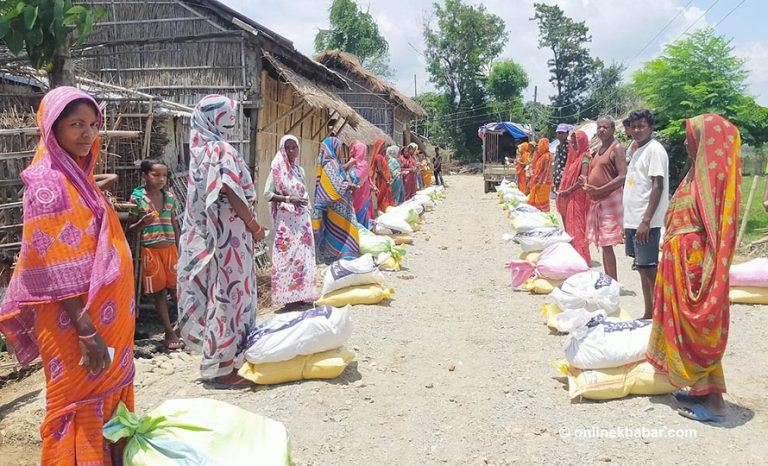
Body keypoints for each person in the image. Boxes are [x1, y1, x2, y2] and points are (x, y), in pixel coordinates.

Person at [0, 87, 135, 463]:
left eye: (93, 125)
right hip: (77, 322)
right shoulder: (47, 186)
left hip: (103, 319)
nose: (87, 134)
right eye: (76, 124)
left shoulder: (76, 177)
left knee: (106, 399)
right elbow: (54, 264)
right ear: (52, 127)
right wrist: (87, 331)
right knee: (78, 403)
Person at [646, 114, 741, 423]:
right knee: (686, 331)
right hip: (680, 265)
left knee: (698, 329)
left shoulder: (712, 183)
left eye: (692, 136)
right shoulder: (693, 175)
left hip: (695, 270)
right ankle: (701, 389)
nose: (686, 141)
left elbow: (714, 231)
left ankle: (715, 403)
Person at [177, 95, 265, 386]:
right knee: (229, 297)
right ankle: (222, 368)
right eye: (228, 113)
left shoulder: (201, 149)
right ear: (217, 116)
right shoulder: (220, 148)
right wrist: (252, 225)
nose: (233, 119)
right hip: (229, 237)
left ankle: (221, 358)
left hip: (213, 236)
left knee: (218, 294)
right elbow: (228, 187)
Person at [127, 159, 183, 350]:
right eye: (156, 175)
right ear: (144, 176)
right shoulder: (137, 198)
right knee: (159, 294)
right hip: (150, 250)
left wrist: (179, 246)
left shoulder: (169, 197)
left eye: (164, 175)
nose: (161, 179)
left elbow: (174, 224)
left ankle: (184, 325)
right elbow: (130, 230)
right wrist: (143, 222)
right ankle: (169, 331)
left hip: (171, 250)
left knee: (177, 291)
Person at [623, 109, 669, 319]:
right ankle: (649, 313)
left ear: (650, 127)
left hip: (645, 221)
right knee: (642, 268)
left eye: (642, 126)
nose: (637, 130)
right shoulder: (637, 150)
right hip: (634, 220)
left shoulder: (654, 150)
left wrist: (646, 221)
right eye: (634, 126)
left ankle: (661, 314)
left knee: (650, 269)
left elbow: (657, 186)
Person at [264, 135, 317, 309]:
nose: (291, 151)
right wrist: (288, 199)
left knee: (302, 258)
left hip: (302, 223)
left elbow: (305, 194)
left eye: (294, 147)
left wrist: (307, 210)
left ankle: (301, 296)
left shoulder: (299, 170)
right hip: (286, 225)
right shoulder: (277, 170)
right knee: (287, 258)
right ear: (282, 149)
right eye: (288, 148)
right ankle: (288, 300)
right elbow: (267, 194)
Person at [584, 118, 628, 280]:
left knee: (607, 244)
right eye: (599, 127)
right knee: (603, 244)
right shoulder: (600, 149)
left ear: (612, 130)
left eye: (605, 127)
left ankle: (613, 282)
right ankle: (609, 278)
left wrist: (600, 189)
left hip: (610, 200)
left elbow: (622, 176)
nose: (601, 130)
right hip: (598, 201)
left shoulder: (616, 148)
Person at [313, 136, 360, 264]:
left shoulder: (329, 162)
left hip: (337, 205)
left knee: (338, 231)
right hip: (337, 206)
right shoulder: (330, 163)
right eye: (338, 147)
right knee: (340, 231)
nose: (339, 150)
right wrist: (349, 185)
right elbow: (334, 186)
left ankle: (336, 255)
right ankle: (341, 255)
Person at [557, 131, 592, 264]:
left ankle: (581, 257)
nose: (573, 144)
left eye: (575, 141)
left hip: (578, 197)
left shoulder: (585, 158)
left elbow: (582, 180)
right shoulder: (574, 158)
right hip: (570, 196)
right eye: (572, 142)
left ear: (582, 141)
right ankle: (574, 256)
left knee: (578, 227)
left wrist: (568, 191)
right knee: (570, 226)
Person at [348, 140, 374, 228]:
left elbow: (358, 179)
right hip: (356, 193)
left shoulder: (362, 164)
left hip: (360, 194)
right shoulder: (354, 164)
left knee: (358, 212)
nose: (352, 152)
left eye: (354, 150)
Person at [527, 138, 553, 211]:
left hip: (543, 183)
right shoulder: (544, 155)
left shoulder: (546, 156)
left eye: (540, 145)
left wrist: (539, 182)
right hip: (542, 182)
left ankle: (543, 215)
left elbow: (545, 170)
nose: (539, 147)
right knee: (539, 199)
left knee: (540, 201)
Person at [370, 139, 394, 214]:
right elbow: (380, 170)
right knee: (382, 197)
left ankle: (386, 210)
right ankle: (382, 211)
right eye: (383, 145)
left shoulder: (383, 157)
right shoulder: (378, 157)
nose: (384, 147)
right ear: (379, 146)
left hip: (386, 180)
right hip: (382, 181)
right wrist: (386, 180)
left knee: (387, 196)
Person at [552, 124, 570, 192]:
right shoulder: (557, 147)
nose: (560, 134)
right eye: (559, 133)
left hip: (565, 178)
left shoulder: (570, 146)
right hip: (557, 177)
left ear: (567, 134)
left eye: (562, 133)